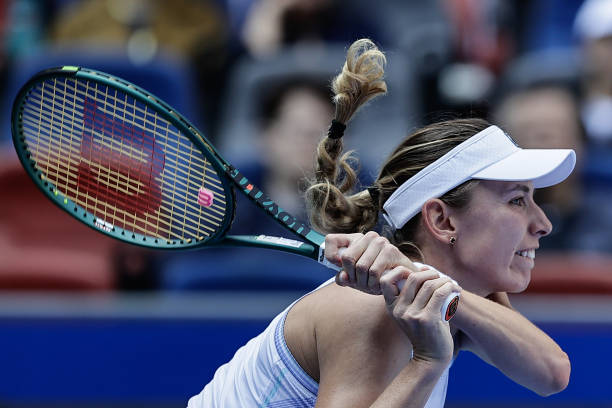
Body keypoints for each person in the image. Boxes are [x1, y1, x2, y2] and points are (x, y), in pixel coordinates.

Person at [187, 39, 572, 407]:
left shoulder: (460, 294)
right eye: (517, 200)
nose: (543, 224)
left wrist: (438, 291)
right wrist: (427, 363)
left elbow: (552, 374)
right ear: (442, 220)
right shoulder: (369, 311)